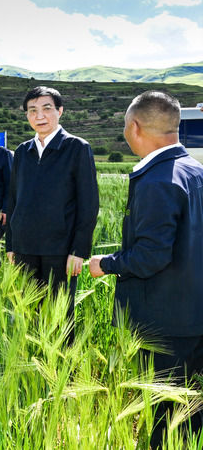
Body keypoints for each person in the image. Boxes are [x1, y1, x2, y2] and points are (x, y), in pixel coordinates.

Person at [89, 91, 203, 448]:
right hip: (195, 314)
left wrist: (105, 264)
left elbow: (152, 256)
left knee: (166, 414)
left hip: (165, 320)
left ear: (135, 127)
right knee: (193, 409)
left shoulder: (157, 180)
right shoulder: (195, 171)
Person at [6, 86, 99, 342]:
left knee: (60, 317)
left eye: (46, 108)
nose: (39, 116)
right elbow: (13, 200)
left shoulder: (77, 148)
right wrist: (11, 244)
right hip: (25, 247)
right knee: (29, 313)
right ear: (27, 116)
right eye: (32, 110)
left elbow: (89, 203)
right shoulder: (22, 151)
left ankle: (63, 372)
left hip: (61, 250)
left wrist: (79, 250)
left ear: (59, 111)